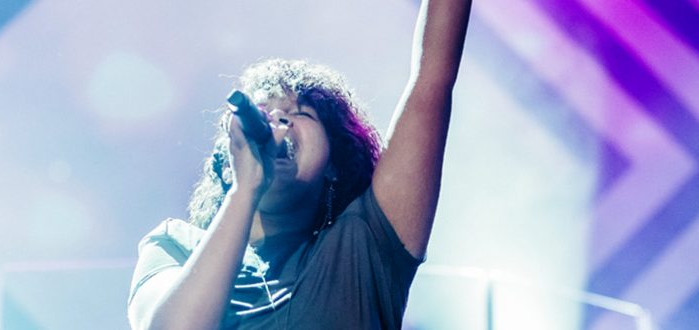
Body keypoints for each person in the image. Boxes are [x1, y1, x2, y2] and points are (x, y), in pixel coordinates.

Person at [127, 0, 471, 328]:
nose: (279, 118)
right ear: (228, 156)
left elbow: (432, 78)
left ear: (334, 164)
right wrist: (245, 189)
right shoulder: (174, 245)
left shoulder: (364, 246)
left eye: (301, 113)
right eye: (267, 111)